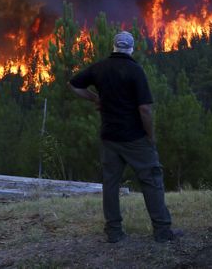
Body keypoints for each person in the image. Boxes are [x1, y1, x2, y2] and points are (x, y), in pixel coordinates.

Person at [69, 31, 180, 243]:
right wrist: (150, 136)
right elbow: (145, 109)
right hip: (135, 137)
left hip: (109, 136)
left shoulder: (99, 68)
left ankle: (114, 232)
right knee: (151, 180)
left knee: (110, 183)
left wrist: (94, 98)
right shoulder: (135, 70)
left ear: (114, 46)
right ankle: (162, 231)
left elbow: (73, 84)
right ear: (131, 48)